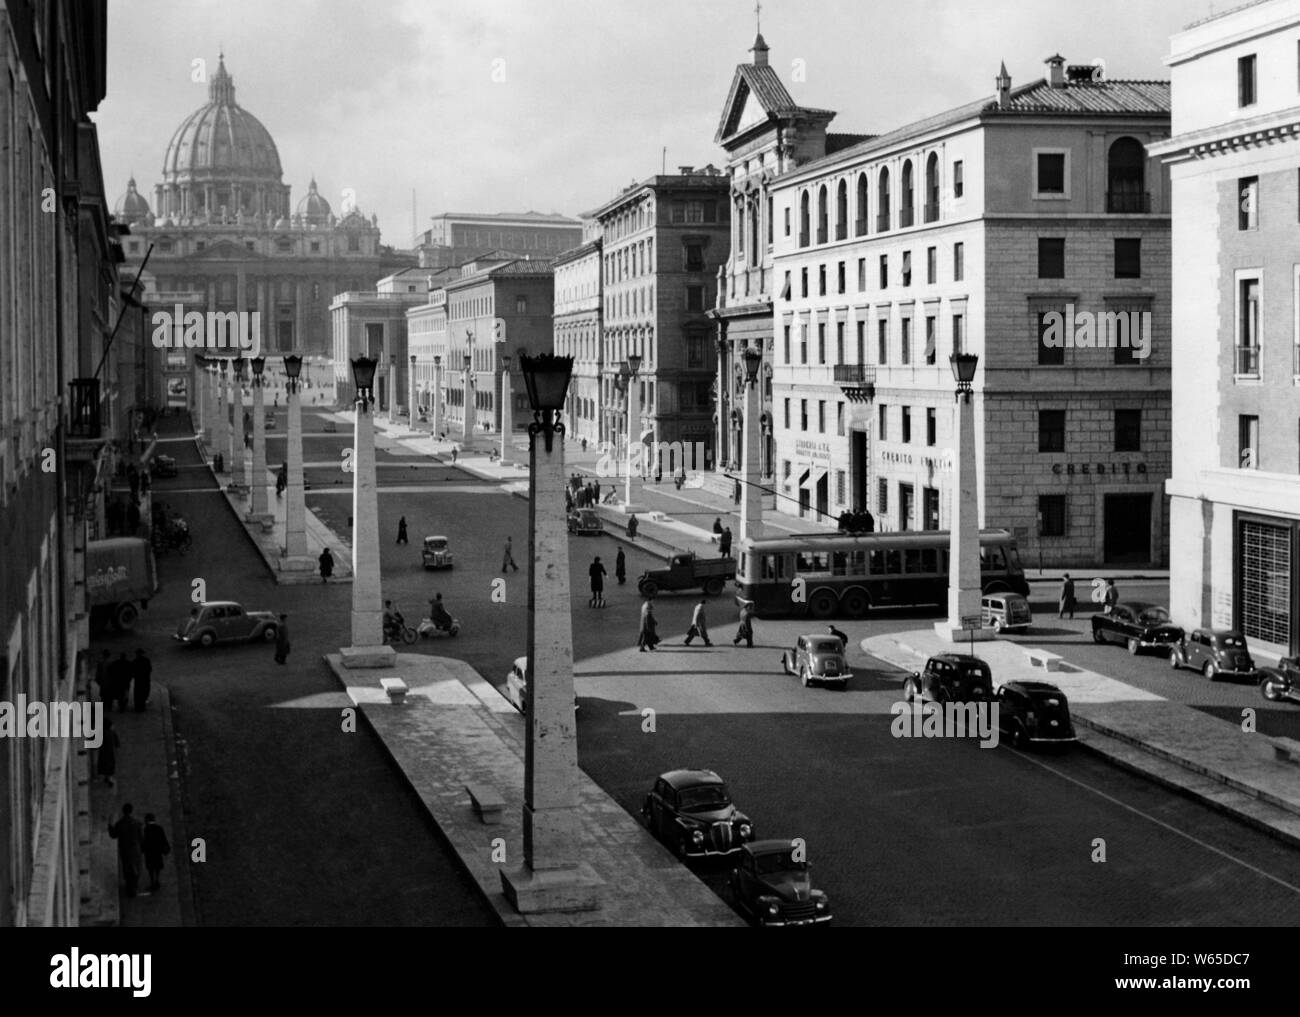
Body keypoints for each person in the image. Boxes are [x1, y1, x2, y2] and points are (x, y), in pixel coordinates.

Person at [108, 803, 143, 897]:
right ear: (131, 811)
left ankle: (129, 886)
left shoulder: (120, 824)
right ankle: (134, 886)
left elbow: (113, 835)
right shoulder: (137, 823)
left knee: (127, 867)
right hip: (135, 849)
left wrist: (110, 824)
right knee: (136, 867)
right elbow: (141, 837)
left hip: (125, 849)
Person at [141, 813, 171, 894]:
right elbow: (163, 839)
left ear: (147, 820)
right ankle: (157, 879)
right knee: (157, 866)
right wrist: (166, 848)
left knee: (150, 868)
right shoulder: (159, 828)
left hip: (149, 852)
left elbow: (144, 841)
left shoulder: (146, 829)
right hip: (157, 851)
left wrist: (142, 849)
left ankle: (152, 881)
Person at [97, 718, 118, 787]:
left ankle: (106, 777)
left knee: (104, 765)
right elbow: (117, 743)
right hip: (110, 752)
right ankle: (109, 779)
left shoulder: (102, 733)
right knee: (110, 765)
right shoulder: (112, 733)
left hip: (103, 752)